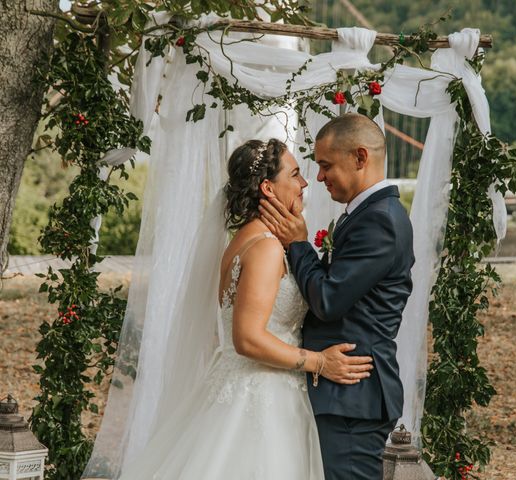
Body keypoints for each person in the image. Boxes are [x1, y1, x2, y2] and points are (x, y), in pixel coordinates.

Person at [116, 138, 373, 479]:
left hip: (242, 386)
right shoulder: (266, 249)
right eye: (295, 174)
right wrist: (320, 362)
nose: (305, 182)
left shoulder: (242, 239)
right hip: (262, 396)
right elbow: (247, 339)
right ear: (268, 187)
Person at [259, 113, 415, 480]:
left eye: (326, 165)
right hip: (340, 392)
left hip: (352, 396)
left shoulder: (381, 221)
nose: (319, 177)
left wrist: (299, 244)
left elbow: (328, 300)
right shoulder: (364, 215)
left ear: (360, 157)